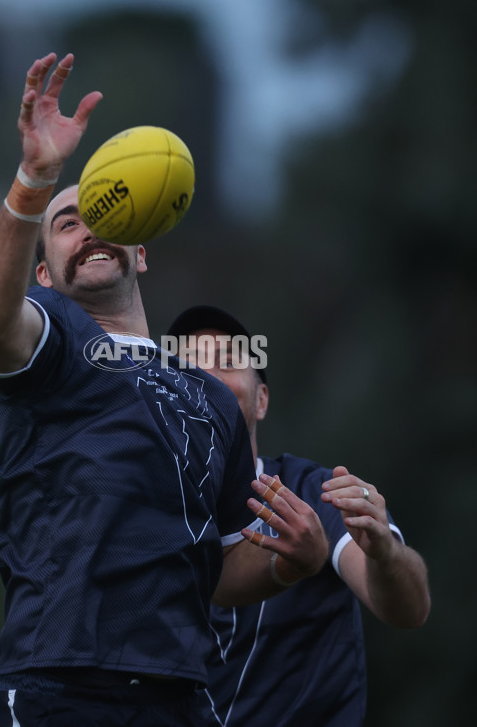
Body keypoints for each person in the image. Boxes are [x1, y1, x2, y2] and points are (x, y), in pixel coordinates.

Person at [0, 53, 330, 727]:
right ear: (42, 275)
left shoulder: (212, 397)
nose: (89, 229)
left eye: (105, 214)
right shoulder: (54, 341)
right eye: (68, 224)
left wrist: (288, 566)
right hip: (57, 684)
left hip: (180, 695)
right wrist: (34, 181)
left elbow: (218, 566)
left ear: (143, 247)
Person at [165, 305, 431, 727]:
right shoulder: (152, 514)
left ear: (262, 400)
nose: (209, 376)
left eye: (228, 362)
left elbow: (409, 610)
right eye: (190, 366)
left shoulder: (313, 493)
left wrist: (385, 553)